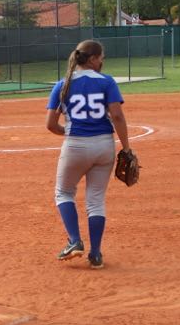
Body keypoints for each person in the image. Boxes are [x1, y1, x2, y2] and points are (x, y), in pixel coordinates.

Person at [45, 40, 132, 269]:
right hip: (104, 146)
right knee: (96, 201)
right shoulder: (107, 82)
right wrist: (127, 148)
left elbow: (50, 125)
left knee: (64, 192)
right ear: (92, 59)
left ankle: (75, 241)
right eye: (101, 57)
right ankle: (95, 254)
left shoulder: (62, 84)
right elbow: (118, 117)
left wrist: (70, 131)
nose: (102, 61)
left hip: (74, 145)